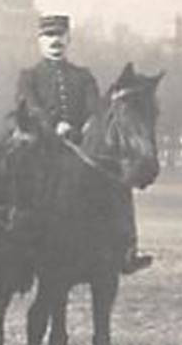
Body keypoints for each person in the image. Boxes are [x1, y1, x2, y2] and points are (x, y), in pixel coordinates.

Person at [15, 14, 150, 273]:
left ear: (68, 40)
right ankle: (19, 247)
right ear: (40, 41)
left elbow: (94, 109)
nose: (55, 41)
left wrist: (87, 125)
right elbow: (31, 107)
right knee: (21, 181)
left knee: (118, 182)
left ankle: (127, 248)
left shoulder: (82, 76)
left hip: (78, 148)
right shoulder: (29, 76)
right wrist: (54, 126)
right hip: (43, 147)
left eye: (60, 36)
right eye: (49, 36)